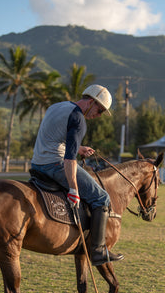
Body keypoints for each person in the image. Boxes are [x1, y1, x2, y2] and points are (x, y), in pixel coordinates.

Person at [31, 84, 124, 266]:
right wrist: (73, 188)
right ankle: (97, 250)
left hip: (37, 164)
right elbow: (69, 160)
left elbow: (52, 138)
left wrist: (79, 148)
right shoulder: (78, 118)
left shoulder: (57, 107)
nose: (98, 115)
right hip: (54, 165)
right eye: (99, 110)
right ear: (91, 101)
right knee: (102, 198)